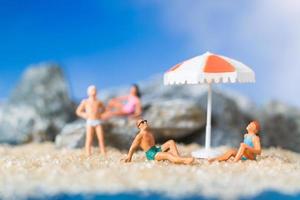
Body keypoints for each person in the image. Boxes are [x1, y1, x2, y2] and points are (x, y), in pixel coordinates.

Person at [122, 119, 194, 165]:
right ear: (139, 126)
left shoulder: (149, 132)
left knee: (171, 142)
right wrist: (129, 156)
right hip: (151, 154)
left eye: (145, 121)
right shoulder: (140, 136)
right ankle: (181, 160)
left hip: (155, 149)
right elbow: (133, 146)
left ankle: (177, 158)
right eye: (142, 122)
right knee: (167, 155)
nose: (145, 122)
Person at [76, 85, 106, 156]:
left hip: (97, 121)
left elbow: (104, 109)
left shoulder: (99, 102)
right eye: (92, 90)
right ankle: (88, 152)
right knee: (89, 138)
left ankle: (103, 151)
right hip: (90, 122)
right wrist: (84, 115)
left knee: (101, 138)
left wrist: (100, 114)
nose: (94, 92)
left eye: (95, 90)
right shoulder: (85, 101)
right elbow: (78, 111)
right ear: (88, 92)